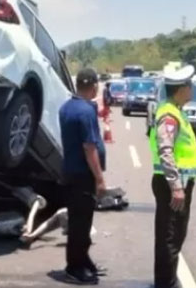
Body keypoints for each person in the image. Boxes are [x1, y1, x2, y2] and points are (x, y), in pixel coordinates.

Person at [149, 66, 196, 288]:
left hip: (177, 182)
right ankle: (165, 283)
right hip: (171, 184)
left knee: (176, 235)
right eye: (190, 86)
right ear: (181, 89)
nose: (192, 89)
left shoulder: (176, 111)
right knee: (169, 237)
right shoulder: (170, 115)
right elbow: (166, 150)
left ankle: (168, 279)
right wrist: (176, 187)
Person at [58, 67, 107, 285]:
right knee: (81, 225)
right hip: (82, 175)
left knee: (80, 222)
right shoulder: (85, 111)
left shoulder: (67, 107)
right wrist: (99, 178)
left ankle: (83, 260)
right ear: (94, 86)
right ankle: (73, 267)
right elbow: (89, 148)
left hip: (71, 171)